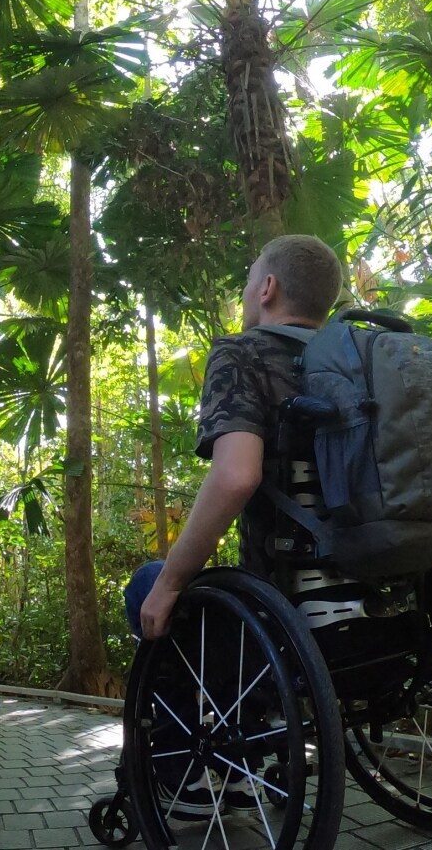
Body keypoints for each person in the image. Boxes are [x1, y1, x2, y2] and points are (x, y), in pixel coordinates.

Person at [132, 234, 344, 640]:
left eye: (249, 280)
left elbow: (236, 476)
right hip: (385, 586)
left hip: (282, 605)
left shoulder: (242, 352)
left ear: (267, 288)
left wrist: (170, 584)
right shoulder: (357, 364)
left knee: (149, 581)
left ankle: (183, 704)